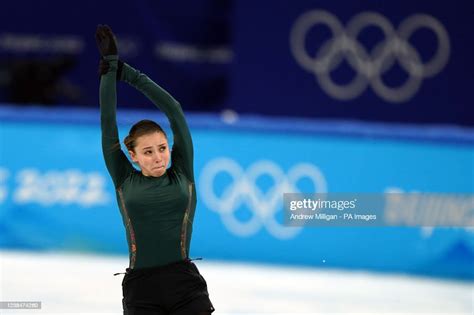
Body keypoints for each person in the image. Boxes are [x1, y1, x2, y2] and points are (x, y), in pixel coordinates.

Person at [95, 24, 215, 315]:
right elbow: (108, 122)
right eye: (148, 152)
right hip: (141, 289)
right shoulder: (124, 178)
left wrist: (129, 75)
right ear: (133, 156)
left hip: (185, 285)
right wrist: (109, 71)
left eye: (162, 148)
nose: (158, 157)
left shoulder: (182, 172)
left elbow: (174, 109)